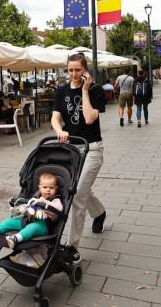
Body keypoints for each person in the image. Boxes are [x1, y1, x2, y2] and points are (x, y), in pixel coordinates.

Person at [51, 53, 107, 264]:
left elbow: (89, 118)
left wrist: (84, 90)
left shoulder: (95, 90)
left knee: (76, 194)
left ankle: (72, 247)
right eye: (70, 70)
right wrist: (59, 131)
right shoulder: (62, 90)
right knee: (80, 189)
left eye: (78, 70)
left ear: (85, 70)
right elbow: (56, 118)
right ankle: (99, 213)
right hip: (71, 150)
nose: (74, 74)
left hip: (92, 149)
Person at [0, 172, 64, 249]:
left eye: (51, 188)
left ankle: (15, 239)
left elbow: (59, 208)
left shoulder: (55, 200)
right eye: (45, 187)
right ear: (39, 188)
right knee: (9, 221)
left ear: (56, 189)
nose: (48, 190)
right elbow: (27, 210)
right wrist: (22, 210)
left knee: (31, 228)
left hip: (42, 225)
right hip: (27, 220)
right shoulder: (35, 197)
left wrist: (45, 202)